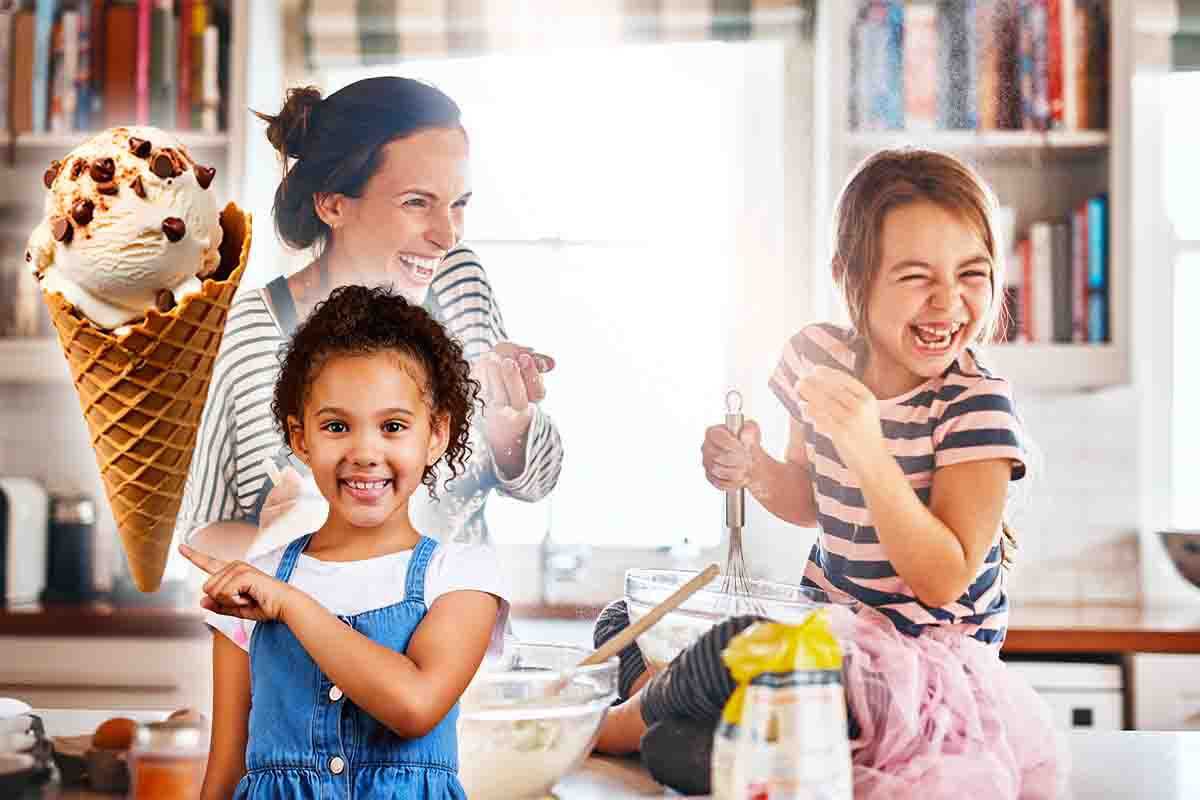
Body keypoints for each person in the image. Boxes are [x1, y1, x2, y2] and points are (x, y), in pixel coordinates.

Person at [590, 149, 1063, 798]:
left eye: (972, 274)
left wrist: (868, 448)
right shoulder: (814, 359)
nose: (948, 302)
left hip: (921, 683)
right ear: (851, 278)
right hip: (825, 644)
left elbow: (942, 576)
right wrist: (752, 468)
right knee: (628, 620)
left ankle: (616, 723)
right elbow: (810, 497)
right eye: (916, 276)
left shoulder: (976, 406)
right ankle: (668, 707)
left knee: (727, 655)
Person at [178, 77, 562, 563]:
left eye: (459, 204)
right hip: (302, 636)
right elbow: (198, 533)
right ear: (333, 203)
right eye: (417, 202)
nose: (447, 235)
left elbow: (537, 483)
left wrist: (510, 420)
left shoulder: (458, 283)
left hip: (458, 635)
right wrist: (277, 543)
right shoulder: (248, 331)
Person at [182, 284, 508, 799]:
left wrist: (292, 606)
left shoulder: (462, 575)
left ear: (436, 435)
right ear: (300, 438)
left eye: (393, 426)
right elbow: (224, 773)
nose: (364, 452)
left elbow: (415, 706)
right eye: (337, 426)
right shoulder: (252, 585)